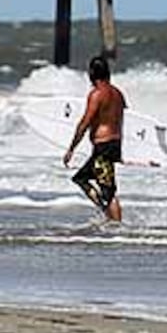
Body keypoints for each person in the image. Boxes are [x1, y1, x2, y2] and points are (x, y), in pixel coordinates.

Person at [64, 55, 128, 222]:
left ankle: (115, 223)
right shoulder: (118, 94)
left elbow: (85, 122)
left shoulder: (97, 94)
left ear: (91, 74)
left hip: (103, 147)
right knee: (82, 178)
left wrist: (71, 148)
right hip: (114, 143)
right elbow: (121, 119)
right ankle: (109, 216)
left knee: (108, 189)